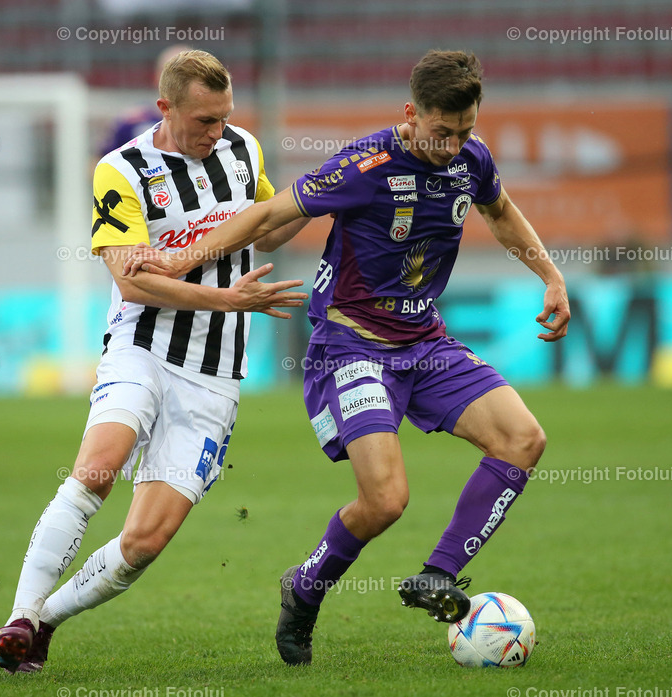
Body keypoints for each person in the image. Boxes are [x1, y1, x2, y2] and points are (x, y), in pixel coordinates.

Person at [125, 49, 570, 666]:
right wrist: (181, 259)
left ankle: (438, 575)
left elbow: (500, 210)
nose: (453, 145)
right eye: (442, 132)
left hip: (426, 344)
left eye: (466, 131)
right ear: (411, 114)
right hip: (351, 347)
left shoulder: (472, 158)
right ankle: (305, 587)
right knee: (386, 501)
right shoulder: (366, 166)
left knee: (524, 438)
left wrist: (550, 274)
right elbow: (269, 212)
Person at [0, 49, 308, 673]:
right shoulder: (122, 171)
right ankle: (19, 618)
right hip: (142, 347)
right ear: (164, 109)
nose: (216, 134)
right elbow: (134, 285)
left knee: (144, 541)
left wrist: (318, 202)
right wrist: (229, 298)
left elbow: (265, 227)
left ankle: (47, 621)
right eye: (202, 122)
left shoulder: (243, 148)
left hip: (214, 373)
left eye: (223, 118)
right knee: (98, 471)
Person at [97, 44, 192, 156]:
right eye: (171, 73)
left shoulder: (212, 125)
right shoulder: (131, 123)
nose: (178, 81)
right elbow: (101, 162)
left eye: (187, 74)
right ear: (156, 77)